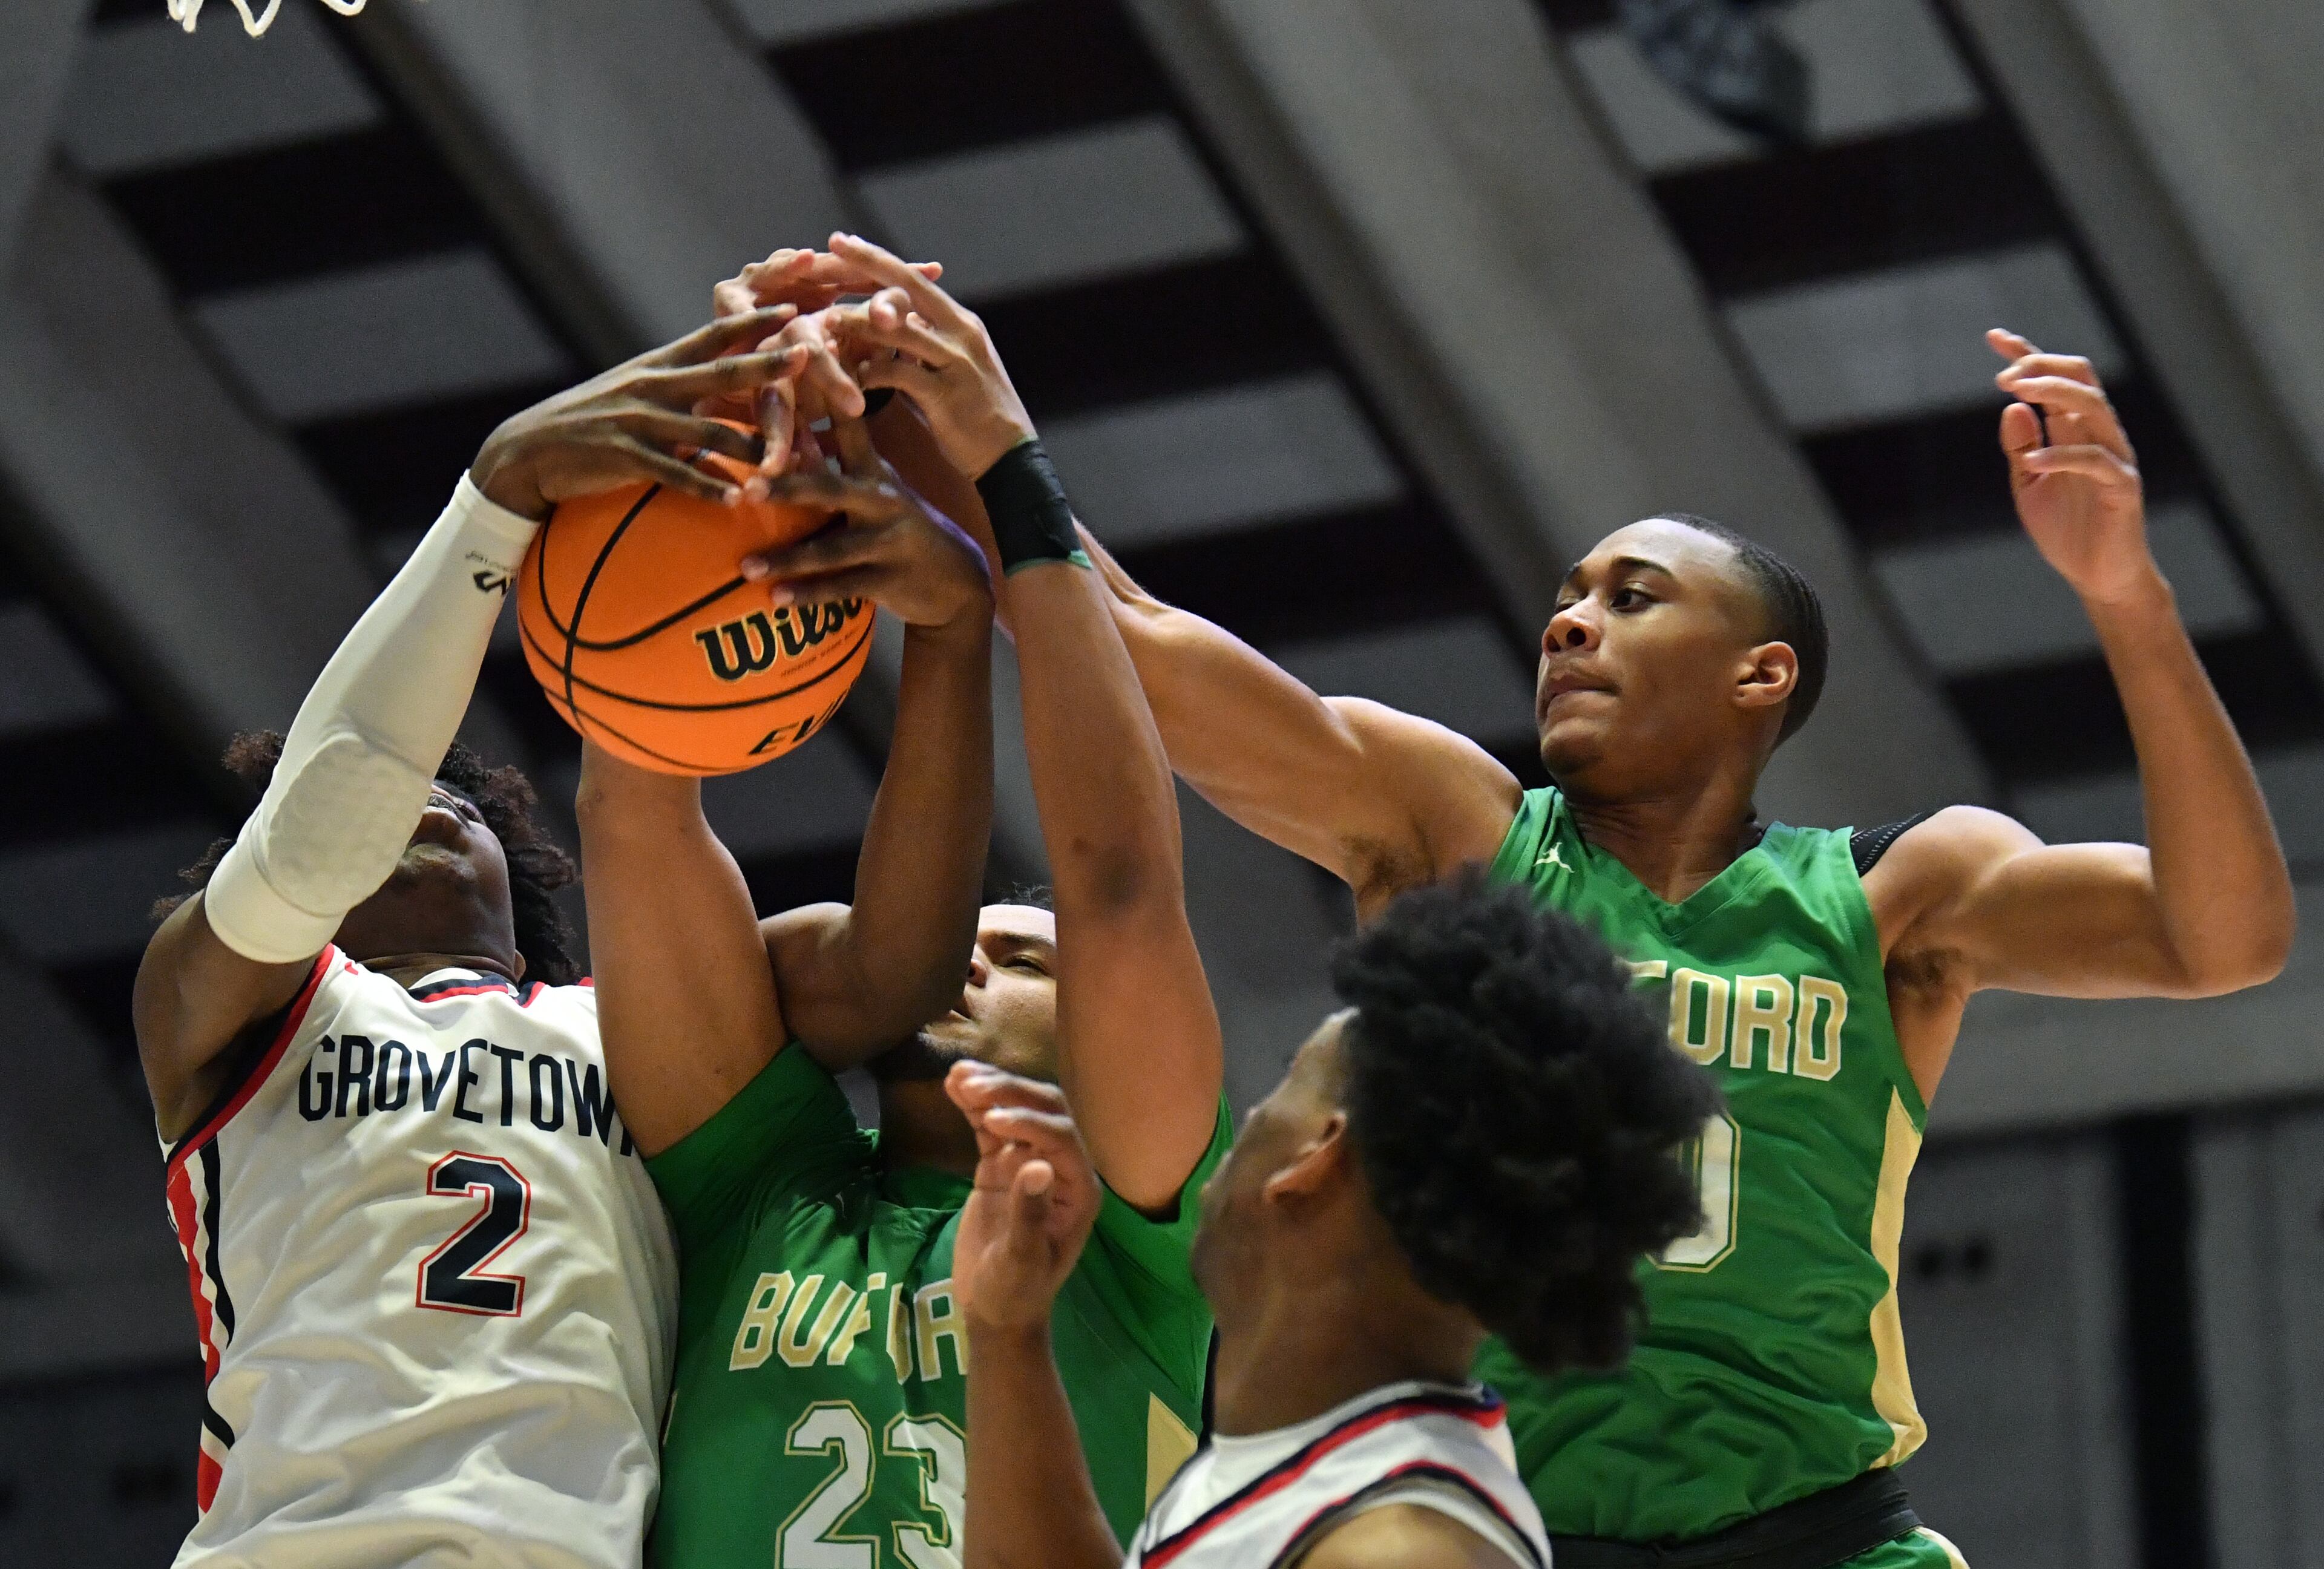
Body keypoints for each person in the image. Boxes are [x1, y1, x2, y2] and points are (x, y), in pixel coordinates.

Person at [872, 317, 2296, 1567]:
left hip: (1814, 1536)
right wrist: (946, 439)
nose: (1567, 622)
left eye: (1629, 596)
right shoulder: (1463, 835)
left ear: (1761, 673)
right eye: (1563, 598)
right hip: (1500, 1522)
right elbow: (1127, 645)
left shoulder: (1891, 897)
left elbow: (2218, 936)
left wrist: (2124, 594)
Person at [130, 310, 847, 1565]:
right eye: (390, 809)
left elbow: (887, 968)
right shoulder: (239, 1010)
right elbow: (317, 833)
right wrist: (496, 497)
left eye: (450, 810)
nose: (411, 815)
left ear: (519, 884)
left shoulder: (635, 1027)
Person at [586, 240, 1230, 1568]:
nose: (971, 958)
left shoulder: (1147, 1240)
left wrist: (1000, 479)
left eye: (1024, 959)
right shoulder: (763, 1188)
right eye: (977, 939)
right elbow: (636, 798)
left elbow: (1119, 888)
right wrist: (737, 428)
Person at [946, 873, 1720, 1569]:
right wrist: (1007, 1331)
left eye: (1288, 1082)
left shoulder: (1399, 1548)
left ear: (1316, 1157)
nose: (1250, 1116)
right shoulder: (1321, 1463)